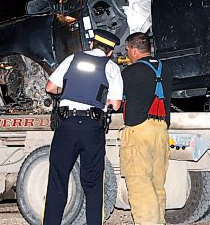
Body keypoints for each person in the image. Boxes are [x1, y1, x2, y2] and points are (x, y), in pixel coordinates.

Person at [42, 29, 124, 225]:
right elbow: (116, 104)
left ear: (91, 44)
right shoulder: (112, 68)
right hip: (92, 128)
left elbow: (50, 87)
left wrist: (68, 90)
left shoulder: (73, 59)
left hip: (67, 126)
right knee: (93, 184)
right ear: (110, 52)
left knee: (57, 180)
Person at [120, 32, 172, 225]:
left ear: (134, 50)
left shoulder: (129, 72)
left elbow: (117, 101)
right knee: (157, 185)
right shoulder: (165, 69)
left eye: (127, 50)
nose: (127, 54)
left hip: (139, 131)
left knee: (140, 186)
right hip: (161, 131)